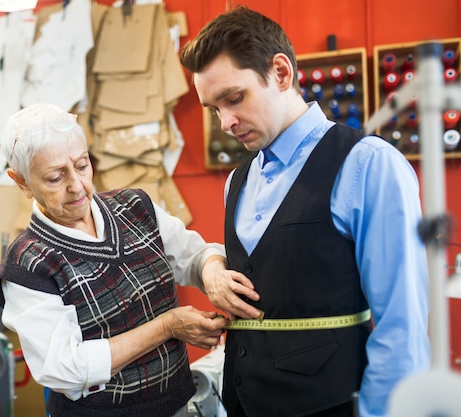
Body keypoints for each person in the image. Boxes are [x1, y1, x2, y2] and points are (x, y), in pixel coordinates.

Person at [179, 6, 430, 417]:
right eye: (213, 109)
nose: (225, 122)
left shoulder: (368, 164)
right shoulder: (236, 182)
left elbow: (402, 329)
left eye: (234, 98)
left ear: (281, 72)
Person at [0, 102, 233, 417]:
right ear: (22, 182)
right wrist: (168, 326)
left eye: (82, 165)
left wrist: (213, 273)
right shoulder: (28, 265)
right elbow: (68, 369)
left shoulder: (134, 207)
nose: (76, 185)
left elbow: (196, 255)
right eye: (54, 177)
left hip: (176, 404)